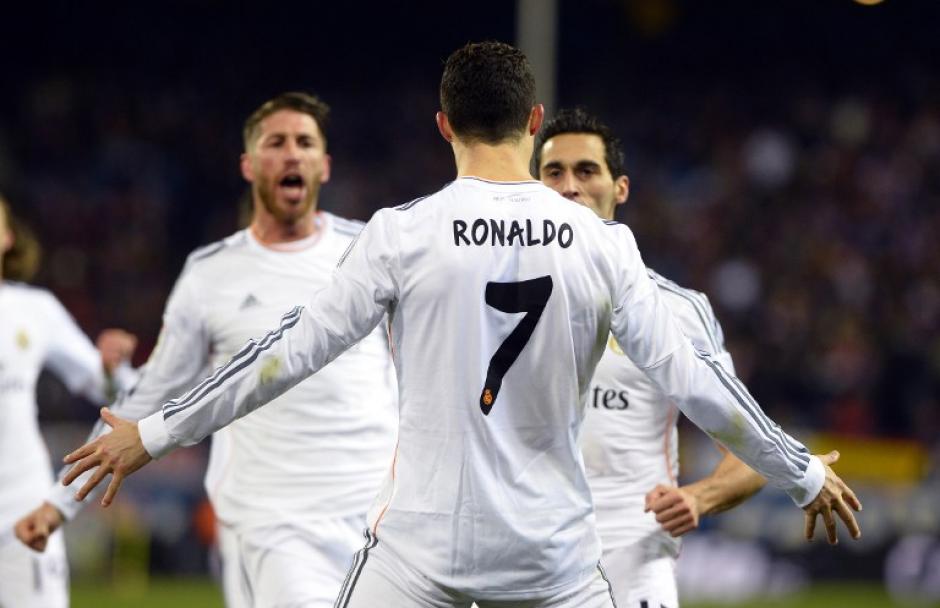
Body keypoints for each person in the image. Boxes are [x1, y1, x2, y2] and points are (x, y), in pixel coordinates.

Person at [60, 42, 861, 608]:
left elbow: (286, 353)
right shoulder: (603, 243)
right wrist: (804, 475)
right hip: (554, 558)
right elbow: (703, 385)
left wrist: (154, 431)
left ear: (441, 124)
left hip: (420, 551)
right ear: (535, 121)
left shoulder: (401, 233)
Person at [14, 93, 399, 608]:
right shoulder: (210, 273)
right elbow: (151, 392)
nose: (291, 154)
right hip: (274, 526)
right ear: (248, 163)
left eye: (305, 143)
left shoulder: (370, 253)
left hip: (380, 518)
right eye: (275, 142)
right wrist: (60, 503)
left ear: (324, 165)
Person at [534, 107, 775, 607]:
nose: (569, 186)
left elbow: (750, 451)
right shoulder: (494, 301)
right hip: (523, 553)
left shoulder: (677, 311)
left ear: (620, 188)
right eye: (553, 172)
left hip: (632, 554)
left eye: (586, 170)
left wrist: (697, 497)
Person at [0, 195, 136, 608]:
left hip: (21, 512)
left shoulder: (33, 310)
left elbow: (114, 392)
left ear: (7, 237)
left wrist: (114, 368)